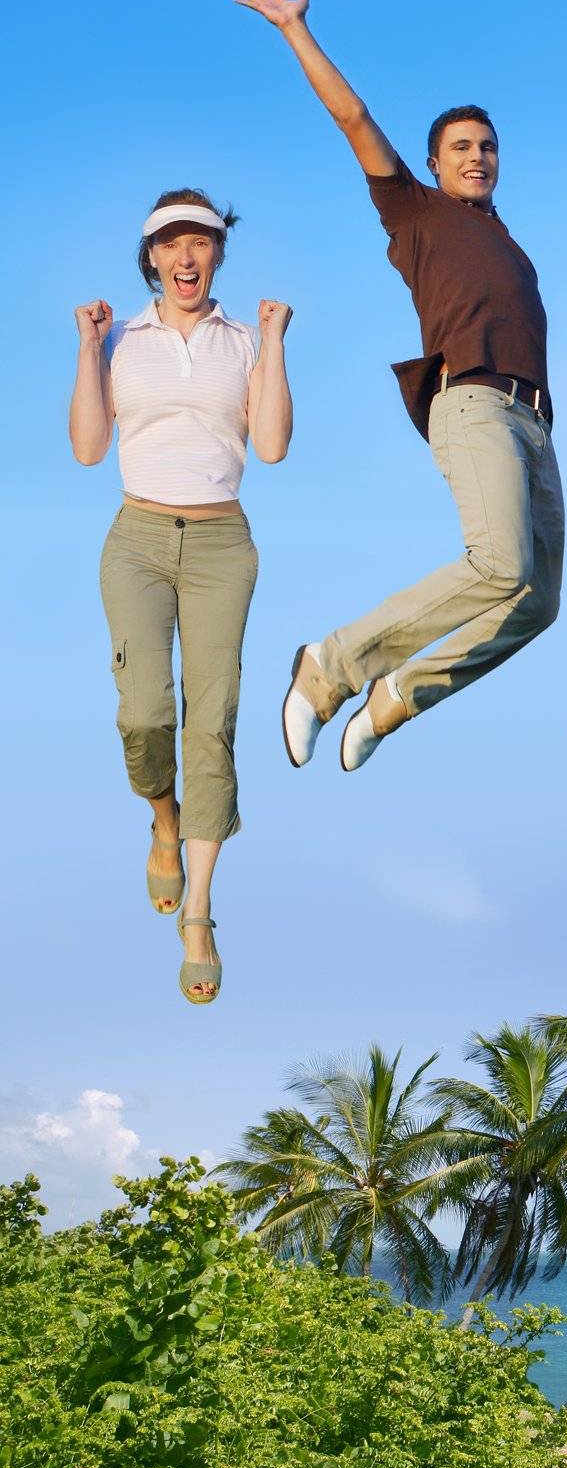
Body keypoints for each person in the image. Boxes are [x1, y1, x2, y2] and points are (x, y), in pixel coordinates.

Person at [237, 0, 562, 772]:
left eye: (487, 146)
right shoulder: (414, 212)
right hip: (473, 400)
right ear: (432, 165)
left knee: (538, 602)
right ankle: (331, 666)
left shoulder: (506, 238)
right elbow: (353, 119)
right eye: (461, 147)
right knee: (499, 565)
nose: (477, 156)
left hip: (536, 423)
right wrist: (295, 31)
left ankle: (396, 696)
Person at [70, 190, 293, 1004]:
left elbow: (269, 446)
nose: (187, 256)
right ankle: (162, 819)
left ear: (218, 253)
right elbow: (90, 450)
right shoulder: (123, 337)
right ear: (153, 258)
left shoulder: (243, 340)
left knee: (216, 717)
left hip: (221, 544)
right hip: (135, 538)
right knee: (143, 714)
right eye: (172, 244)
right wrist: (88, 348)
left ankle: (198, 909)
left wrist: (272, 342)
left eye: (201, 240)